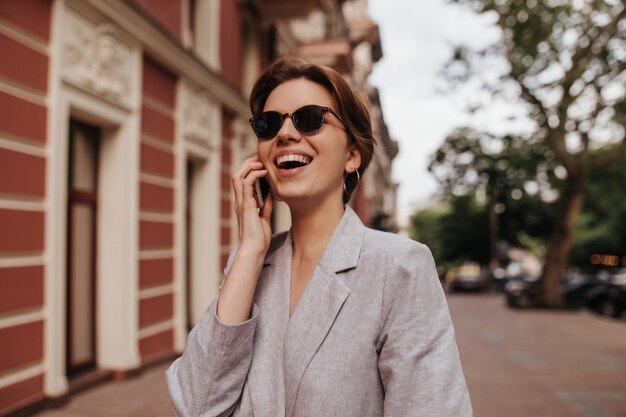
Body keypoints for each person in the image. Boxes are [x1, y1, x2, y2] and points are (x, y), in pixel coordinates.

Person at [166, 56, 472, 417]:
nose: (285, 134)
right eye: (268, 124)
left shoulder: (399, 267)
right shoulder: (248, 265)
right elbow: (195, 406)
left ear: (352, 155)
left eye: (309, 119)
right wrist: (249, 249)